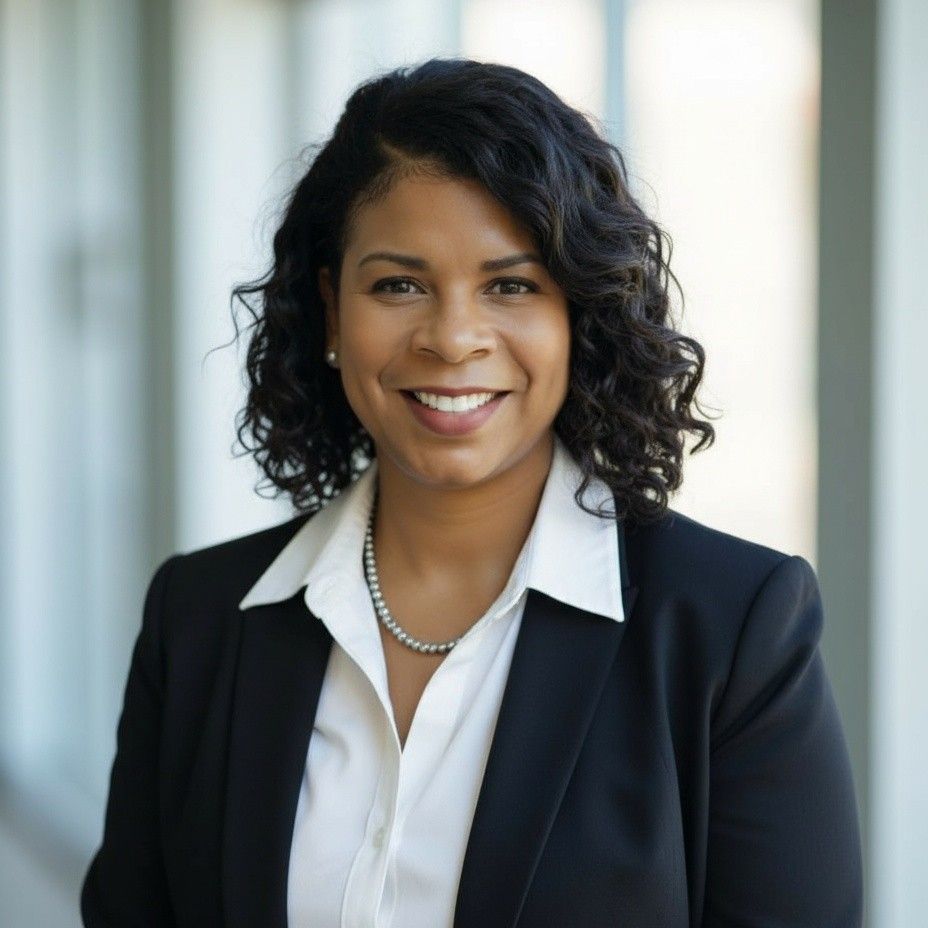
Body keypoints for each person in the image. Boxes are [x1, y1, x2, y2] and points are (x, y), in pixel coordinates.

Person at [80, 57, 863, 927]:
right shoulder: (197, 617)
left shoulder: (732, 630)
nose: (453, 338)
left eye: (511, 286)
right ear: (333, 310)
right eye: (399, 285)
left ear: (580, 313)